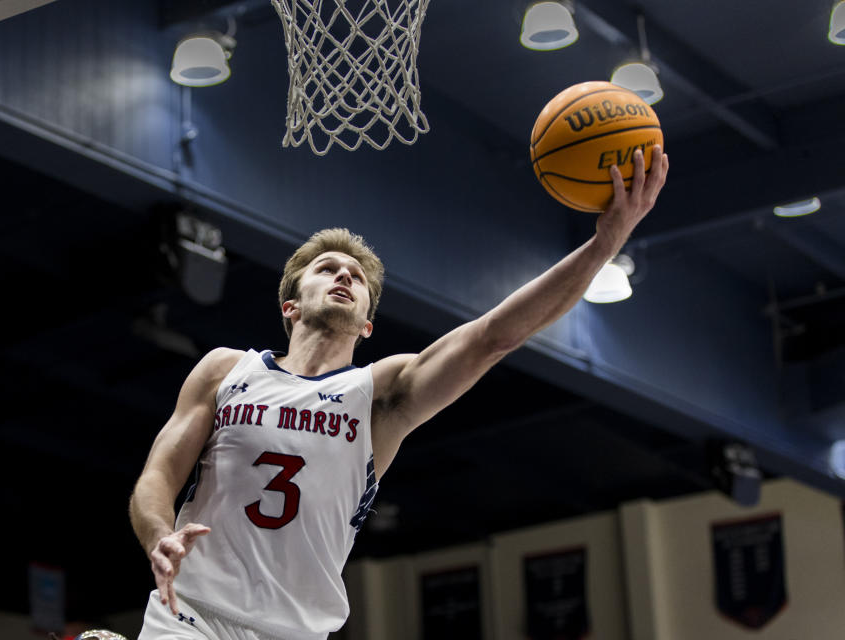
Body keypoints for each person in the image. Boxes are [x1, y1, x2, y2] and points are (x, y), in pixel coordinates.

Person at [130, 146, 669, 640]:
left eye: (357, 278)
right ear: (290, 305)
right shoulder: (227, 370)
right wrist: (159, 534)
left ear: (367, 325)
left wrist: (604, 245)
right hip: (191, 611)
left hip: (291, 631)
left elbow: (493, 338)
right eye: (327, 269)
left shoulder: (377, 394)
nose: (344, 275)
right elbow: (157, 476)